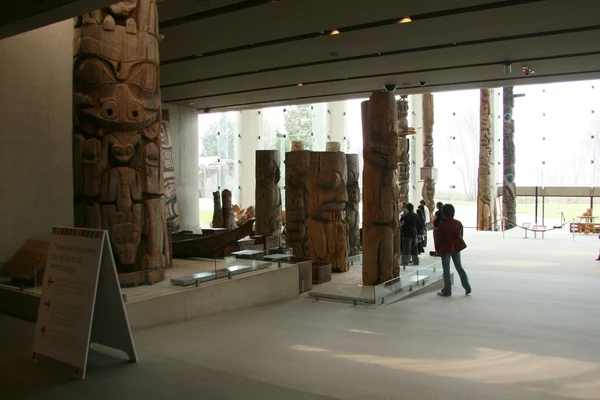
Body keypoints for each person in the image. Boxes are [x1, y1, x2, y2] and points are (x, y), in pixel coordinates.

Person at [435, 204, 471, 297]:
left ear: (443, 213)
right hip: (456, 248)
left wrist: (437, 249)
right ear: (453, 212)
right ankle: (467, 287)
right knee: (459, 267)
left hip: (445, 248)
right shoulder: (458, 223)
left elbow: (439, 238)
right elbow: (460, 236)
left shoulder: (442, 224)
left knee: (446, 269)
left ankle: (447, 290)